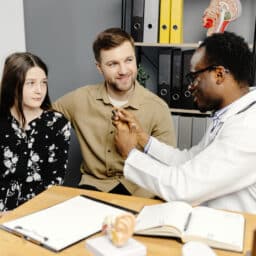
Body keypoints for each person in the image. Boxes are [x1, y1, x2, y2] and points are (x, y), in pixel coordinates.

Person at [113, 31, 256, 213]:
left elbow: (183, 187)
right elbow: (188, 160)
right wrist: (143, 139)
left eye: (194, 77)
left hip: (233, 234)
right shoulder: (231, 113)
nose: (189, 87)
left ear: (219, 74)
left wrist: (130, 153)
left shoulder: (248, 128)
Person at [53, 27, 176, 198]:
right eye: (113, 64)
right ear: (99, 68)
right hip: (93, 187)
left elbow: (167, 165)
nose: (123, 70)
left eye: (128, 60)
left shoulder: (157, 107)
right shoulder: (79, 99)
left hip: (140, 189)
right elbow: (42, 118)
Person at [0, 52, 71, 212]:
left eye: (43, 83)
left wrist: (28, 213)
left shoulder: (58, 124)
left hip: (39, 210)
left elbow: (54, 181)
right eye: (30, 83)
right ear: (13, 84)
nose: (39, 90)